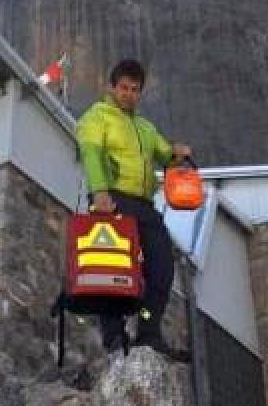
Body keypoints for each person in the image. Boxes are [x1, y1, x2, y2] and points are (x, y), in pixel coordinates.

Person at [75, 58, 191, 358]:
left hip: (144, 205)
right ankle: (114, 337)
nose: (128, 93)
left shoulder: (146, 128)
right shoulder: (96, 117)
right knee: (111, 269)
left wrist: (177, 154)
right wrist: (99, 192)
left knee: (162, 270)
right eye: (123, 87)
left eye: (135, 89)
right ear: (111, 87)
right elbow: (91, 154)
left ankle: (149, 333)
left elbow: (165, 155)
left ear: (140, 93)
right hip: (111, 199)